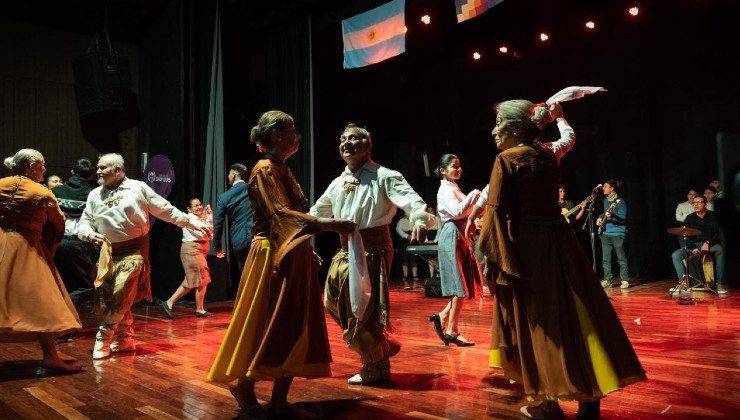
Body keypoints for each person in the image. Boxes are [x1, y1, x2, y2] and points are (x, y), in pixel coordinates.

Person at [469, 100, 646, 419]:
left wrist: (493, 259)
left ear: (514, 127)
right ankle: (589, 396)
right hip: (561, 243)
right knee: (578, 313)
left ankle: (548, 400)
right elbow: (568, 138)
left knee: (540, 322)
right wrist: (562, 117)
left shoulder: (506, 159)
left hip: (529, 247)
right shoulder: (548, 154)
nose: (494, 130)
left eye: (498, 123)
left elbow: (495, 212)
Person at [208, 110, 356, 418]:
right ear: (276, 134)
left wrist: (305, 247)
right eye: (292, 130)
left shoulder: (281, 168)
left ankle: (278, 402)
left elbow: (289, 218)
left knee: (295, 324)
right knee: (271, 323)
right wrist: (331, 225)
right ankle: (245, 387)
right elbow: (280, 215)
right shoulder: (264, 169)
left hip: (290, 251)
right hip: (272, 255)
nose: (298, 137)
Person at [311, 123, 435, 385]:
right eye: (343, 139)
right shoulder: (338, 182)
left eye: (354, 139)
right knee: (332, 302)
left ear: (368, 146)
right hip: (345, 249)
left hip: (373, 248)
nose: (347, 143)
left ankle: (376, 366)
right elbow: (317, 213)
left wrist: (420, 220)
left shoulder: (384, 175)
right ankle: (380, 345)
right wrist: (292, 226)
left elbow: (412, 202)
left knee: (363, 308)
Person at [76, 153, 208, 359]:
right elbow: (85, 221)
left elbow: (165, 210)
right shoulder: (94, 194)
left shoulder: (138, 188)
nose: (98, 171)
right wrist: (87, 233)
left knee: (121, 293)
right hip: (107, 253)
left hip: (134, 252)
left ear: (118, 170)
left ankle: (103, 338)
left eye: (103, 167)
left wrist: (192, 222)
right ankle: (125, 339)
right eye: (98, 167)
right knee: (113, 298)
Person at [0, 149, 83, 373]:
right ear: (32, 167)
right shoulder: (42, 192)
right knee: (42, 300)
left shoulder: (1, 184)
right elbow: (58, 223)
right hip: (26, 247)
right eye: (42, 165)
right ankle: (50, 356)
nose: (45, 169)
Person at [430, 154, 481, 347]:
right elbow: (457, 211)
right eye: (454, 166)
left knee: (463, 285)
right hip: (452, 235)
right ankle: (450, 330)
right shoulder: (445, 189)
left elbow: (464, 213)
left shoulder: (454, 188)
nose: (458, 169)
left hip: (459, 236)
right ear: (442, 170)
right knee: (459, 286)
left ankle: (442, 317)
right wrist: (474, 197)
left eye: (459, 166)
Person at [160, 198, 215, 318]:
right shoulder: (189, 218)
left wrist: (207, 218)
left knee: (192, 281)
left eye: (200, 204)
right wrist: (208, 219)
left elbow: (209, 234)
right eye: (195, 206)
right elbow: (204, 235)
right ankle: (199, 309)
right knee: (202, 279)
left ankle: (168, 303)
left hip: (196, 251)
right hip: (192, 251)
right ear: (189, 209)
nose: (199, 207)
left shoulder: (198, 219)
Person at [52, 158, 98, 301]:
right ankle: (61, 310)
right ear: (91, 176)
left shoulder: (54, 191)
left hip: (54, 243)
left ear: (72, 172)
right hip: (77, 245)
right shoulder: (92, 195)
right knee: (86, 288)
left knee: (58, 283)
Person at [670, 195, 726, 294]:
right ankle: (683, 283)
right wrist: (693, 248)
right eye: (694, 203)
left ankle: (719, 283)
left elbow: (719, 234)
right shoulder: (689, 218)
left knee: (720, 250)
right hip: (694, 245)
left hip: (710, 245)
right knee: (676, 255)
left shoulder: (713, 216)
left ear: (705, 203)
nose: (696, 204)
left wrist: (708, 243)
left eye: (699, 202)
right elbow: (686, 236)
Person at [212, 163, 253, 293]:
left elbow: (218, 224)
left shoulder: (224, 198)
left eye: (229, 174)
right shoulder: (252, 189)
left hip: (239, 239)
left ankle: (247, 307)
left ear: (234, 174)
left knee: (245, 274)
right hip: (257, 235)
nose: (228, 177)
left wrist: (217, 247)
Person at [597, 180, 630, 289]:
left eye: (605, 186)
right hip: (606, 233)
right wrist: (600, 218)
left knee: (621, 257)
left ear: (612, 188)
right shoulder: (605, 201)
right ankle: (607, 279)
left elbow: (623, 218)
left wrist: (612, 215)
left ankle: (624, 280)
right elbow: (604, 213)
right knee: (605, 259)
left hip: (618, 233)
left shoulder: (620, 202)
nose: (603, 188)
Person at [395, 211, 419, 290]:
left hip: (413, 238)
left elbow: (417, 228)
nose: (408, 214)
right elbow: (398, 229)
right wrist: (406, 236)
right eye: (406, 212)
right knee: (404, 257)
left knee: (413, 257)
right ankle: (405, 275)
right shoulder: (401, 221)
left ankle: (415, 275)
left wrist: (413, 236)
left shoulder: (414, 220)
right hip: (404, 240)